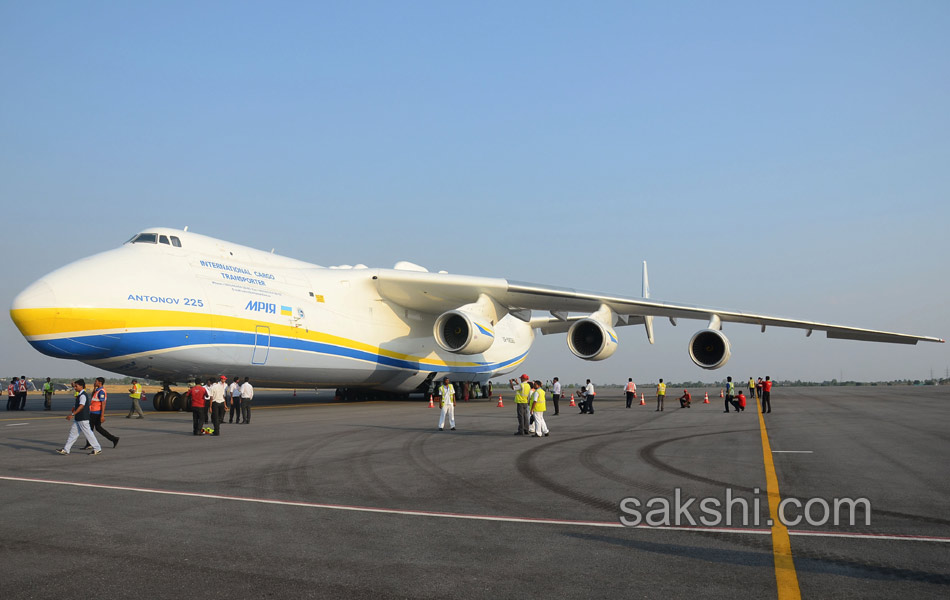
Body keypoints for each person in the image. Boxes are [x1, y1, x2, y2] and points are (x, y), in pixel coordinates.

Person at [57, 379, 102, 455]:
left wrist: (72, 414)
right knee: (73, 434)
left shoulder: (83, 395)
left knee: (88, 434)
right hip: (78, 418)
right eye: (74, 386)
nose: (75, 388)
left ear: (81, 386)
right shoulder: (79, 394)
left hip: (83, 419)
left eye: (76, 386)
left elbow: (81, 406)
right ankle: (66, 449)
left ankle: (97, 448)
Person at [84, 377, 119, 449]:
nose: (95, 382)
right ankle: (113, 439)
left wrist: (102, 416)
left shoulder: (102, 391)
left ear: (100, 382)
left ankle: (89, 444)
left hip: (96, 413)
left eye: (96, 381)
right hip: (93, 411)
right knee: (97, 428)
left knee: (89, 428)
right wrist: (94, 388)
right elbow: (93, 396)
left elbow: (103, 404)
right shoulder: (97, 390)